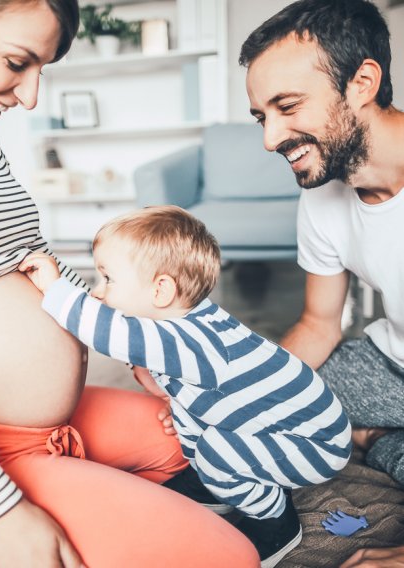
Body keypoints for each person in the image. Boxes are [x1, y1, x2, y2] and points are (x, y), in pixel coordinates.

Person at [0, 1, 261, 567]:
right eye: (17, 62)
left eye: (43, 69)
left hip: (53, 428)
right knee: (229, 557)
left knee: (200, 440)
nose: (30, 96)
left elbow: (33, 264)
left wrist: (143, 349)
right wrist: (1, 512)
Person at [18, 205, 353, 568]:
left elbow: (108, 333)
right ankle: (213, 481)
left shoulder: (191, 341)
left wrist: (56, 288)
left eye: (108, 279)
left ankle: (273, 518)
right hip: (284, 426)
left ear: (161, 289)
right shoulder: (189, 320)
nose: (99, 293)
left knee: (214, 449)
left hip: (315, 443)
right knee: (186, 413)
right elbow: (153, 365)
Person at [239, 0, 404, 565]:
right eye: (262, 116)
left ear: (362, 82)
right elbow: (317, 323)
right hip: (389, 364)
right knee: (251, 411)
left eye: (287, 107)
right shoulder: (323, 197)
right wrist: (237, 394)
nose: (270, 138)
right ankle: (379, 439)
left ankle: (376, 442)